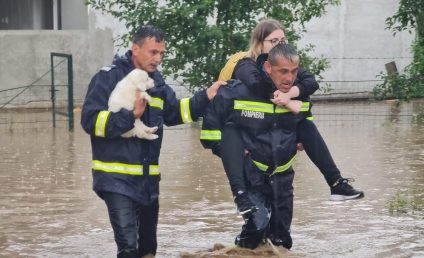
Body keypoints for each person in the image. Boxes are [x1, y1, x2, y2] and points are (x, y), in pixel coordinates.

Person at [81, 25, 224, 258]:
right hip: (114, 179)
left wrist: (205, 96)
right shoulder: (108, 77)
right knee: (129, 248)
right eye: (152, 52)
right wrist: (131, 116)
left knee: (148, 250)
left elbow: (176, 113)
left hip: (148, 182)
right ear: (135, 48)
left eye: (161, 54)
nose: (158, 59)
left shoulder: (155, 81)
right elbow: (90, 121)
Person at [218, 19, 364, 210]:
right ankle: (247, 219)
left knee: (305, 125)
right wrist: (288, 97)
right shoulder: (245, 64)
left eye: (283, 41)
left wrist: (290, 96)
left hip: (275, 136)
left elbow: (311, 83)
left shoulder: (286, 66)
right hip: (250, 137)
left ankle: (336, 184)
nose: (280, 45)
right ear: (259, 43)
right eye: (273, 41)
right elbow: (257, 85)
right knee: (257, 216)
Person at [201, 43, 312, 249]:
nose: (289, 77)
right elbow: (210, 134)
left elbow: (305, 126)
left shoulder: (295, 94)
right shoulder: (238, 91)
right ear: (267, 63)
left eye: (293, 71)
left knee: (281, 241)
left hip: (282, 177)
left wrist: (299, 139)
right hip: (251, 171)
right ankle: (237, 250)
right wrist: (236, 154)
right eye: (273, 41)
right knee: (258, 224)